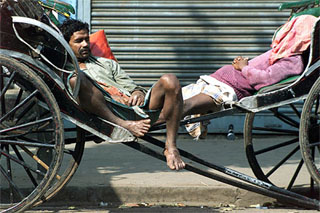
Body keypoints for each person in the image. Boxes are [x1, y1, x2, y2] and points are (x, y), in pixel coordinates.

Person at [59, 19, 185, 170]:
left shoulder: (107, 63)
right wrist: (111, 97)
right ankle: (125, 125)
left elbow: (132, 86)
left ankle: (171, 147)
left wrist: (137, 93)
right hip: (107, 114)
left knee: (170, 80)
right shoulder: (64, 70)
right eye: (79, 41)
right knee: (77, 79)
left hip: (134, 108)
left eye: (87, 39)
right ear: (66, 44)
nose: (85, 44)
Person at [180, 14, 318, 139]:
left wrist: (243, 67)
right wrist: (242, 64)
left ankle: (170, 145)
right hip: (216, 81)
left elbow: (265, 79)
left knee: (179, 105)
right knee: (171, 96)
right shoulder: (282, 53)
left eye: (291, 33)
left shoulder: (291, 62)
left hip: (227, 88)